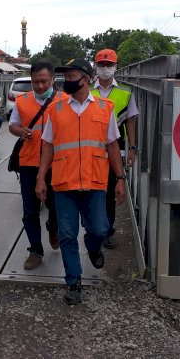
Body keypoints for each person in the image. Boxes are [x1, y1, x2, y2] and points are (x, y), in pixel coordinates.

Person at [35, 58, 126, 305]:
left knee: (99, 229)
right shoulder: (56, 109)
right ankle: (73, 281)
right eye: (65, 77)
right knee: (66, 235)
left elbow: (113, 145)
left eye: (72, 76)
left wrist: (120, 178)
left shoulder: (104, 108)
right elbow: (48, 146)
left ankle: (93, 247)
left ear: (85, 79)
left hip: (95, 182)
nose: (67, 81)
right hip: (64, 183)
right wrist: (41, 177)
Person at [8, 60, 66, 270]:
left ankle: (53, 227)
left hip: (57, 163)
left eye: (44, 81)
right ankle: (35, 250)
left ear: (52, 80)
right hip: (29, 162)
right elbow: (12, 125)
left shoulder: (64, 101)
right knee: (30, 210)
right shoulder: (22, 101)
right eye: (36, 82)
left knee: (57, 206)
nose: (40, 86)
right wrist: (20, 131)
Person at [91, 48, 139, 249]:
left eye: (109, 65)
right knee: (94, 193)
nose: (105, 68)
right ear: (96, 66)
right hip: (91, 151)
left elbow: (130, 121)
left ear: (115, 67)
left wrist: (132, 148)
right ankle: (93, 229)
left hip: (115, 151)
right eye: (101, 65)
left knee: (110, 193)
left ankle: (107, 232)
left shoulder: (125, 93)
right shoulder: (87, 91)